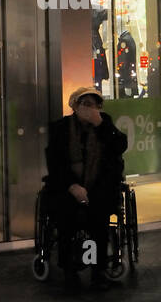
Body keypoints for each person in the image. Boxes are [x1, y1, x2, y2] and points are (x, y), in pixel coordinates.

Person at [45, 86, 128, 289]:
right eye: (86, 104)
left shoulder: (104, 124)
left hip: (99, 188)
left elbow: (119, 147)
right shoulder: (60, 128)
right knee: (66, 219)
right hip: (67, 188)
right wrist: (72, 186)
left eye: (95, 105)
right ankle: (69, 270)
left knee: (98, 221)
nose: (91, 109)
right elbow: (55, 163)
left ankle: (97, 270)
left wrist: (99, 123)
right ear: (74, 106)